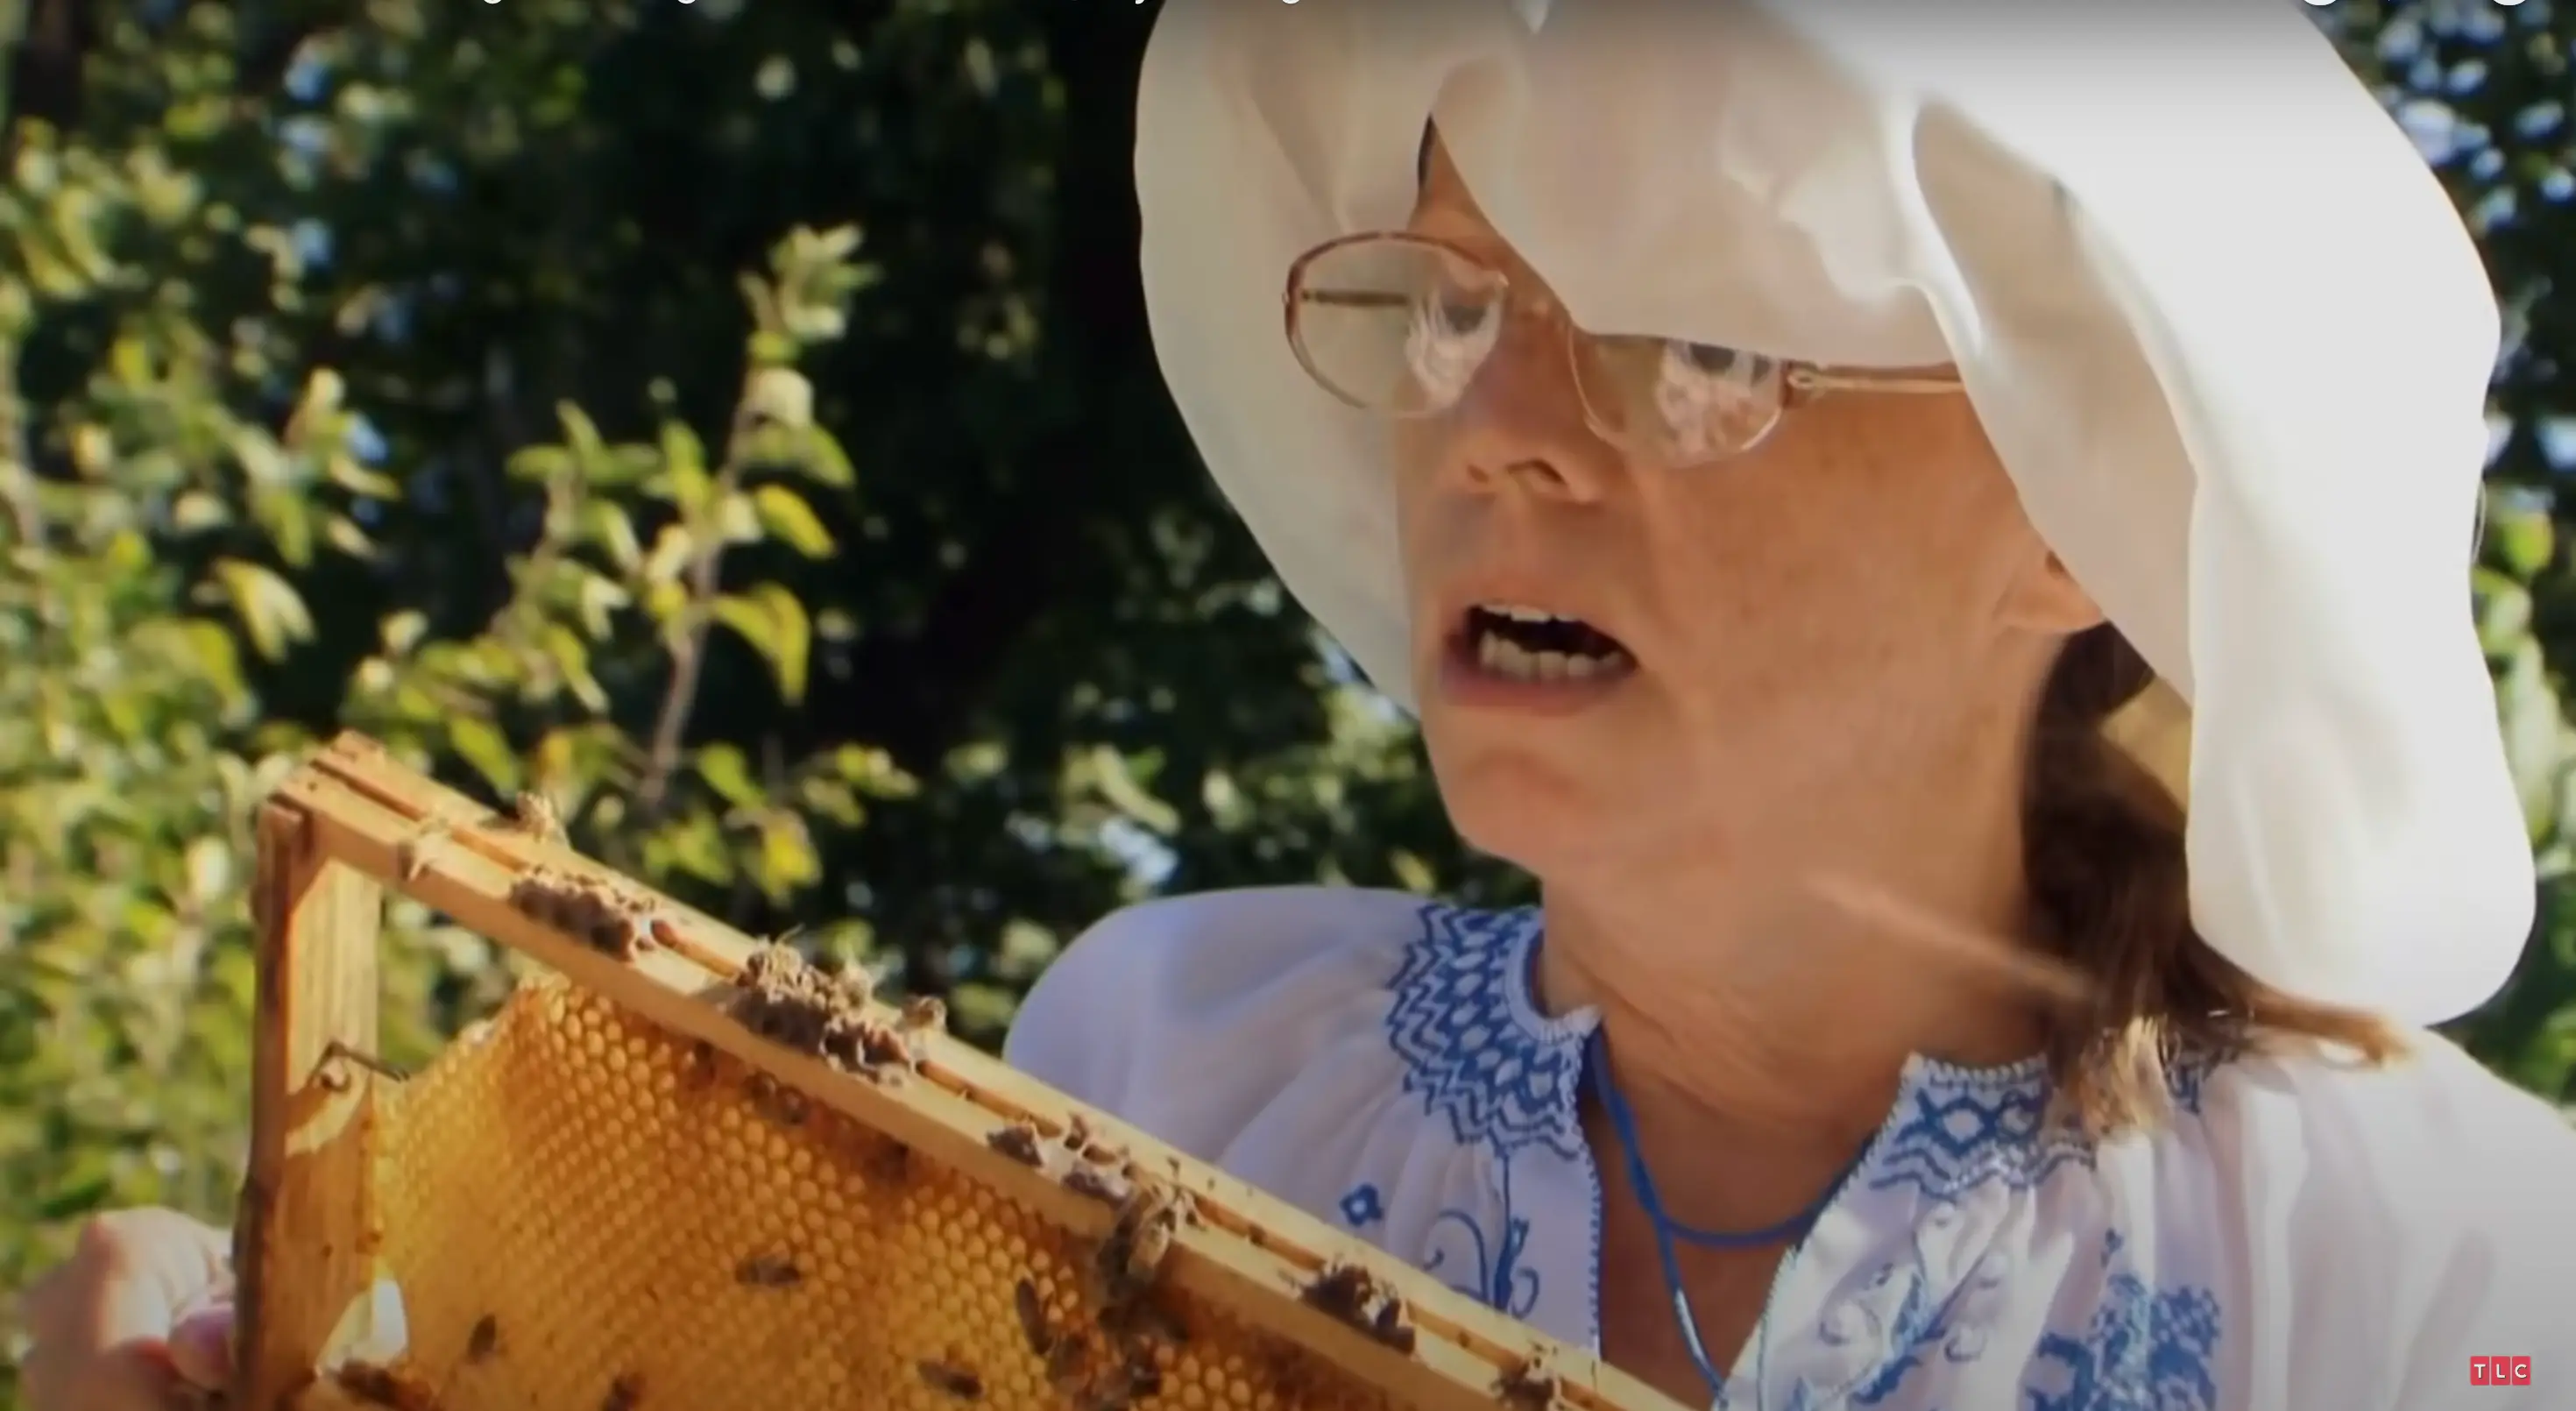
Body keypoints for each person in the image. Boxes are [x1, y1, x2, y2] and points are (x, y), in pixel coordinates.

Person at [21, 4, 2576, 1408]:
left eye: (1690, 347)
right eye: (1450, 306)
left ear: (2081, 500)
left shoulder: (2450, 1286)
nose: (1499, 428)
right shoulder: (1168, 1071)